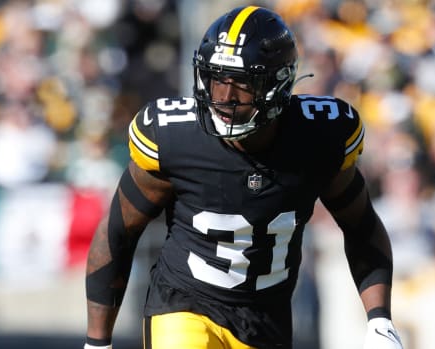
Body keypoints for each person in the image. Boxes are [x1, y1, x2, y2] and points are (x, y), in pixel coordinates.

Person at [85, 5, 403, 349]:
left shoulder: (319, 137)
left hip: (266, 320)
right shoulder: (175, 138)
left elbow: (361, 226)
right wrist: (97, 342)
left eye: (241, 82)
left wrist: (380, 320)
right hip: (183, 304)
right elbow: (118, 229)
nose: (224, 96)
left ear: (277, 84)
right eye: (216, 77)